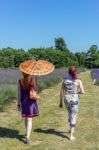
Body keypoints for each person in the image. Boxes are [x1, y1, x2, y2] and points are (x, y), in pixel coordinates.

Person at [59, 66, 84, 140]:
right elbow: (82, 92)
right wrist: (76, 92)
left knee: (69, 113)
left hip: (66, 99)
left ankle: (70, 129)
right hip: (74, 99)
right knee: (73, 116)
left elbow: (61, 93)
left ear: (68, 72)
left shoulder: (64, 80)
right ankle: (71, 135)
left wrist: (60, 102)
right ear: (75, 71)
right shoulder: (78, 81)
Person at [17, 72, 39, 144]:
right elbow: (36, 90)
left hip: (23, 101)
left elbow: (19, 93)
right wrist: (36, 81)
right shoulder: (32, 80)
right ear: (29, 73)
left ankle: (27, 133)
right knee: (30, 119)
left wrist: (18, 104)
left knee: (26, 118)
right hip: (30, 101)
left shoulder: (20, 81)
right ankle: (27, 137)